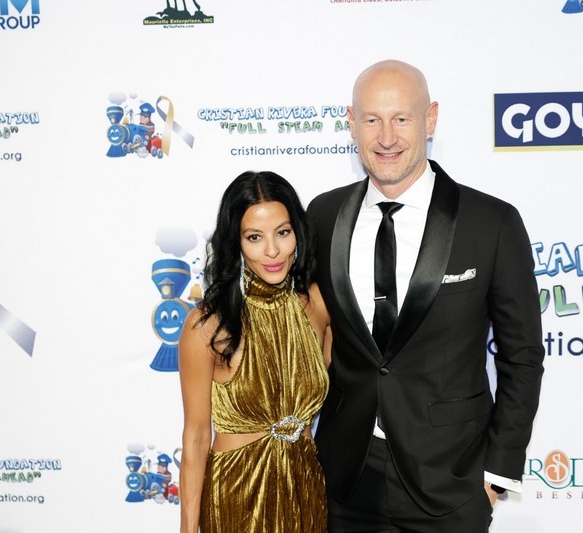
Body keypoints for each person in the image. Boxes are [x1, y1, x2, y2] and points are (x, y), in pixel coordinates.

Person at [307, 59, 545, 532]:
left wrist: (496, 474)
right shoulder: (323, 215)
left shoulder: (491, 223)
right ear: (351, 123)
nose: (386, 138)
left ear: (430, 119)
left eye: (401, 118)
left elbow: (522, 355)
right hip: (345, 480)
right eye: (372, 120)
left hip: (451, 481)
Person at [178, 171, 331, 533]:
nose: (273, 251)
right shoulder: (208, 325)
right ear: (236, 242)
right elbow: (196, 437)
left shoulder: (317, 305)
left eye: (283, 232)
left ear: (298, 233)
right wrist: (188, 528)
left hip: (305, 491)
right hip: (236, 497)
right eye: (255, 237)